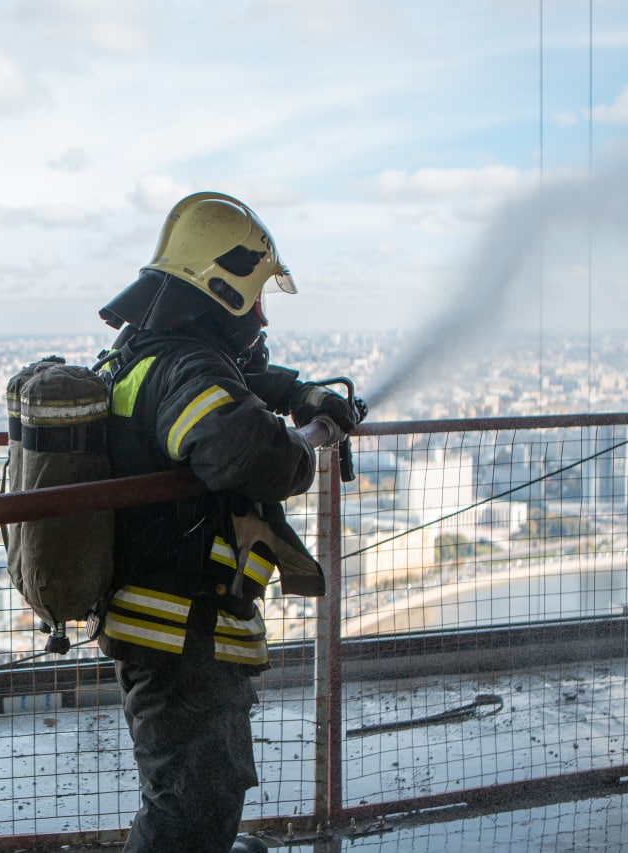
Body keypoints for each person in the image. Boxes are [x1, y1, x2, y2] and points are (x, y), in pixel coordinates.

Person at [94, 191, 365, 853]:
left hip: (174, 622)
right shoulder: (187, 368)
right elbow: (235, 446)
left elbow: (243, 380)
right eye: (254, 296)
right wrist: (304, 441)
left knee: (204, 794)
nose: (261, 312)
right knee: (185, 810)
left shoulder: (151, 355)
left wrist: (299, 392)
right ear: (220, 289)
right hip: (181, 630)